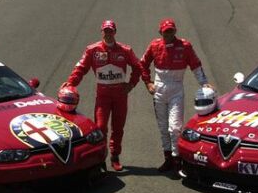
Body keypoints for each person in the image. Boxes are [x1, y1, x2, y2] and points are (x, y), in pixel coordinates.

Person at [65, 20, 145, 172]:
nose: (108, 34)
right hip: (103, 95)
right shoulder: (92, 50)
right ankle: (100, 158)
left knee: (118, 127)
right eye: (105, 31)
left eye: (111, 31)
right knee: (101, 127)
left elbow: (137, 67)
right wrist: (70, 83)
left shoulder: (125, 50)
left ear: (115, 32)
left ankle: (115, 156)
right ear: (101, 32)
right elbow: (81, 68)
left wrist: (131, 84)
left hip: (120, 95)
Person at [141, 18, 212, 173]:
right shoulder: (154, 45)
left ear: (175, 31)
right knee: (163, 128)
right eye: (166, 31)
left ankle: (177, 159)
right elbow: (142, 65)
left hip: (176, 89)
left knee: (175, 127)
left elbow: (195, 65)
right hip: (159, 90)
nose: (169, 34)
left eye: (171, 31)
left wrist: (204, 83)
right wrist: (148, 83)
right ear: (161, 32)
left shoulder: (185, 46)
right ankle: (168, 159)